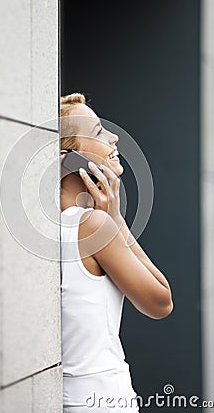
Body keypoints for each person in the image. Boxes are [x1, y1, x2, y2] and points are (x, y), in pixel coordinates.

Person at [60, 92, 174, 412]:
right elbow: (161, 301)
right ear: (70, 158)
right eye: (98, 132)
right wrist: (116, 219)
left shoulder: (56, 227)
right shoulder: (93, 226)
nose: (113, 138)